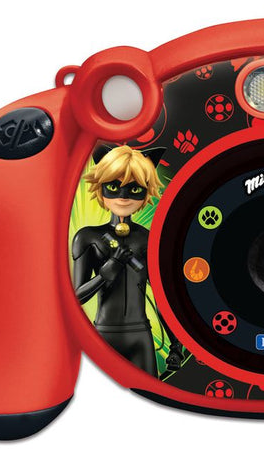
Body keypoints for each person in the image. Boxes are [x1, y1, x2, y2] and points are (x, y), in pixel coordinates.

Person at [72, 144, 184, 377]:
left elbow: (162, 299)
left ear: (146, 191)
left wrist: (176, 345)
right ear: (100, 187)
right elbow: (76, 296)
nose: (123, 197)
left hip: (140, 335)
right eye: (113, 187)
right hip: (104, 334)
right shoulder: (88, 237)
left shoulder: (149, 239)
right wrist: (106, 273)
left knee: (151, 397)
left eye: (134, 189)